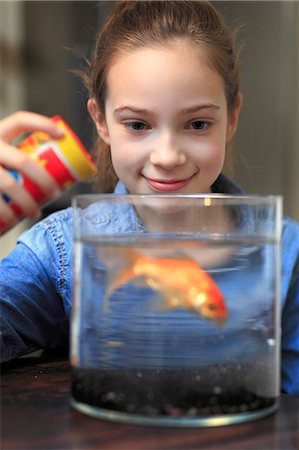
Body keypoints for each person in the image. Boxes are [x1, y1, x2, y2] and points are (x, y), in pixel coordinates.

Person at [0, 1, 298, 396]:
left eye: (197, 124)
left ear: (233, 116)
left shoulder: (285, 251)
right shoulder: (60, 250)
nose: (167, 157)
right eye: (138, 124)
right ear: (101, 121)